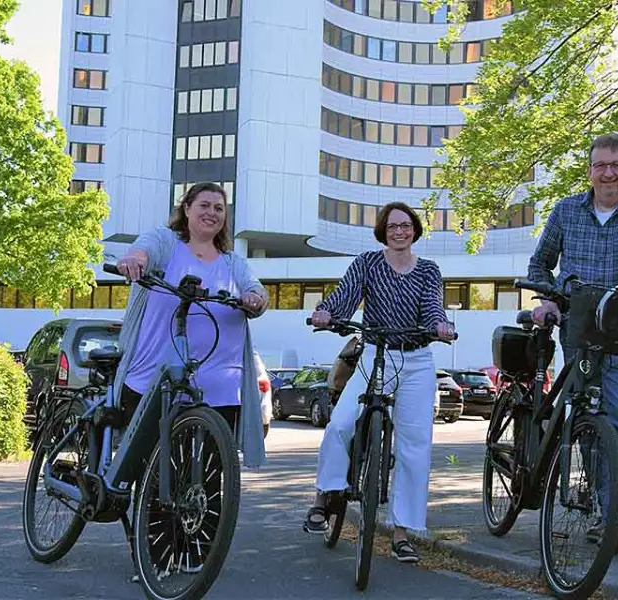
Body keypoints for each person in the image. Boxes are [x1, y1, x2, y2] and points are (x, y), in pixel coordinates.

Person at [527, 133, 618, 552]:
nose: (609, 172)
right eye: (600, 165)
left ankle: (616, 516)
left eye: (616, 165)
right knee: (587, 419)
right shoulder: (567, 210)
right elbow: (541, 263)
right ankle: (605, 509)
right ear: (589, 171)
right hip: (578, 327)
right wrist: (548, 299)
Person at [302, 201, 455, 564]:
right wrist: (327, 313)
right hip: (375, 353)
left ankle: (402, 532)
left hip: (416, 361)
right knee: (340, 424)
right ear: (383, 231)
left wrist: (440, 326)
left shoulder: (429, 271)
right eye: (392, 226)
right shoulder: (368, 263)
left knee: (414, 447)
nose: (399, 231)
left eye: (405, 226)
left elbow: (433, 307)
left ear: (415, 230)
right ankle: (326, 495)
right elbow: (345, 296)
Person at [112, 181, 269, 469]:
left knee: (209, 480)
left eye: (219, 208)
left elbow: (257, 289)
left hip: (220, 388)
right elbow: (144, 249)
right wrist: (135, 259)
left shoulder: (233, 263)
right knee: (155, 473)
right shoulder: (167, 243)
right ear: (186, 209)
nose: (212, 213)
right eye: (204, 205)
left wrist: (255, 298)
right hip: (158, 379)